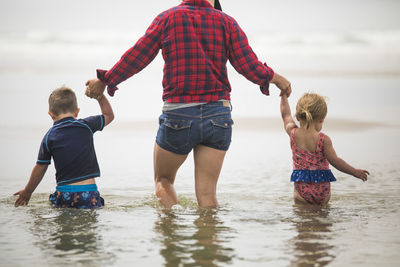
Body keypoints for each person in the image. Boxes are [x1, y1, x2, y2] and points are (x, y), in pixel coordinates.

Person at [85, 0, 291, 208]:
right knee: (208, 195)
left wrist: (106, 80)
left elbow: (137, 56)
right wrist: (277, 79)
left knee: (163, 181)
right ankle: (208, 237)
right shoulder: (227, 23)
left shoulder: (167, 18)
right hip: (218, 117)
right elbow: (249, 66)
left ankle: (171, 234)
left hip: (179, 115)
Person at [14, 86, 114, 208]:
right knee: (89, 224)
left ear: (51, 115)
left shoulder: (49, 137)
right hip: (88, 194)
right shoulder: (86, 125)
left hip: (64, 194)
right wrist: (100, 96)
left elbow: (40, 167)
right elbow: (109, 115)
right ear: (77, 112)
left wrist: (27, 191)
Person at [280, 93, 369, 205]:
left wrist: (283, 95)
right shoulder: (323, 139)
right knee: (323, 218)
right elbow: (335, 161)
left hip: (301, 189)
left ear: (297, 116)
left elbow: (286, 115)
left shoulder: (292, 132)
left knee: (302, 219)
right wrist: (354, 172)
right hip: (322, 190)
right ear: (321, 120)